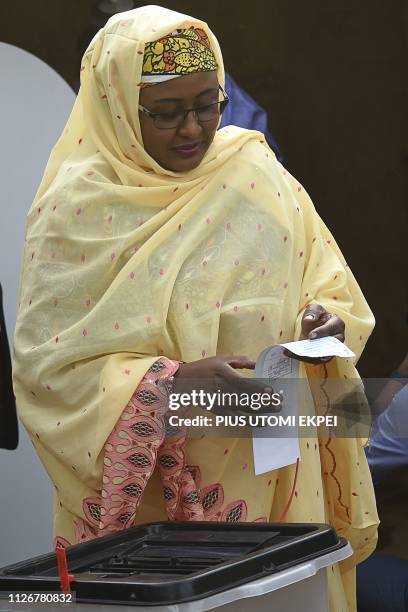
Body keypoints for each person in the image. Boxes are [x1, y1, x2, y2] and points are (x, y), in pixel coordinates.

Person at [12, 6, 378, 611]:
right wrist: (174, 383)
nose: (194, 129)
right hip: (162, 519)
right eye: (166, 113)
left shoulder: (255, 170)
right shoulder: (75, 210)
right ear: (119, 109)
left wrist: (326, 321)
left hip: (285, 468)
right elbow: (47, 374)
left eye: (210, 104)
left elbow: (331, 285)